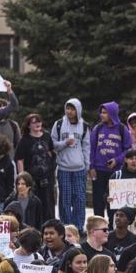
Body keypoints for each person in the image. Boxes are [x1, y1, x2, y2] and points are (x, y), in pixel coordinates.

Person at [52, 98, 91, 232]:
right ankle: (66, 227)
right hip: (63, 168)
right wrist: (64, 143)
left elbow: (86, 147)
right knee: (65, 200)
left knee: (80, 199)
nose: (69, 111)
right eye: (68, 108)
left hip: (79, 168)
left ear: (78, 110)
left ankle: (78, 227)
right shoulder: (58, 124)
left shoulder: (84, 126)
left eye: (72, 109)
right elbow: (52, 144)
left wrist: (87, 166)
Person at [90, 102, 134, 218]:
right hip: (99, 170)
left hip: (115, 172)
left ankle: (112, 226)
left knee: (113, 200)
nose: (102, 115)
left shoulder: (122, 129)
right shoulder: (98, 128)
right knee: (98, 200)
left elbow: (128, 149)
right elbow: (92, 149)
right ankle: (98, 224)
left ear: (112, 113)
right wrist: (92, 167)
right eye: (101, 112)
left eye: (105, 112)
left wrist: (117, 160)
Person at [15, 113, 56, 220]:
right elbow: (20, 159)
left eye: (39, 121)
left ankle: (50, 223)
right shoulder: (24, 140)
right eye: (34, 122)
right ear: (29, 125)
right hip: (32, 177)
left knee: (49, 202)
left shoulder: (46, 135)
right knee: (34, 202)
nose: (37, 124)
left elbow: (51, 152)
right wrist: (22, 176)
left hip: (47, 176)